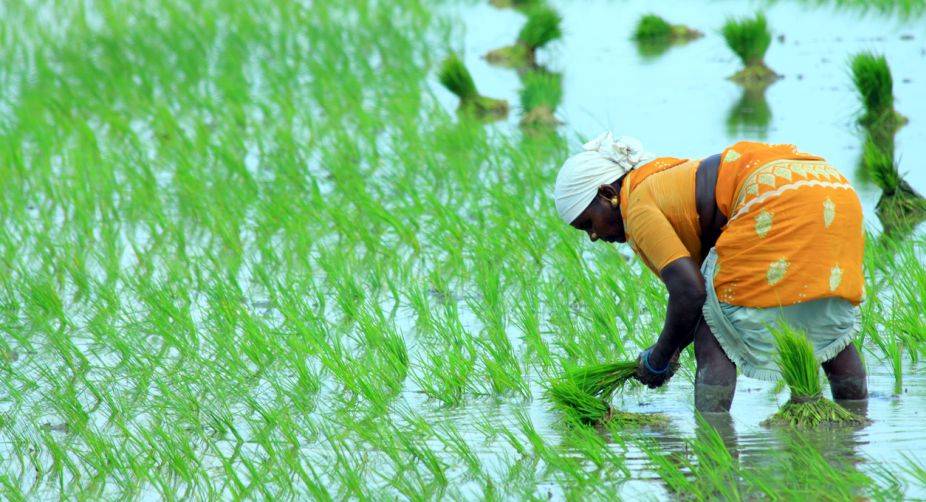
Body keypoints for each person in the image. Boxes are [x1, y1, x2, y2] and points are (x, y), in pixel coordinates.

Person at [553, 132, 868, 413]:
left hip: (775, 193)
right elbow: (696, 295)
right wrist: (670, 349)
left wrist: (658, 358)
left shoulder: (636, 206)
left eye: (588, 224)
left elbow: (690, 293)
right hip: (828, 187)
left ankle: (714, 438)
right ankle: (857, 418)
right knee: (822, 314)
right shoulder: (662, 176)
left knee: (712, 331)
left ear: (608, 193)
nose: (593, 236)